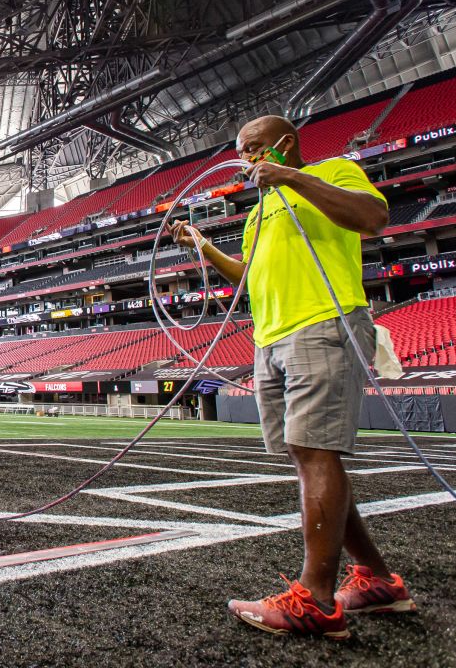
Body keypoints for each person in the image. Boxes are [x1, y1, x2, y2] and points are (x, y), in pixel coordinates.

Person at [168, 115, 415, 640]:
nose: (249, 159)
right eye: (242, 151)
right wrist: (202, 246)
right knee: (307, 456)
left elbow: (373, 218)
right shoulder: (259, 212)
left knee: (316, 452)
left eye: (256, 149)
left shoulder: (334, 170)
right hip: (271, 336)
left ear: (285, 145)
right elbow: (250, 279)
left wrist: (293, 178)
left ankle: (316, 601)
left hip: (323, 322)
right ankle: (376, 579)